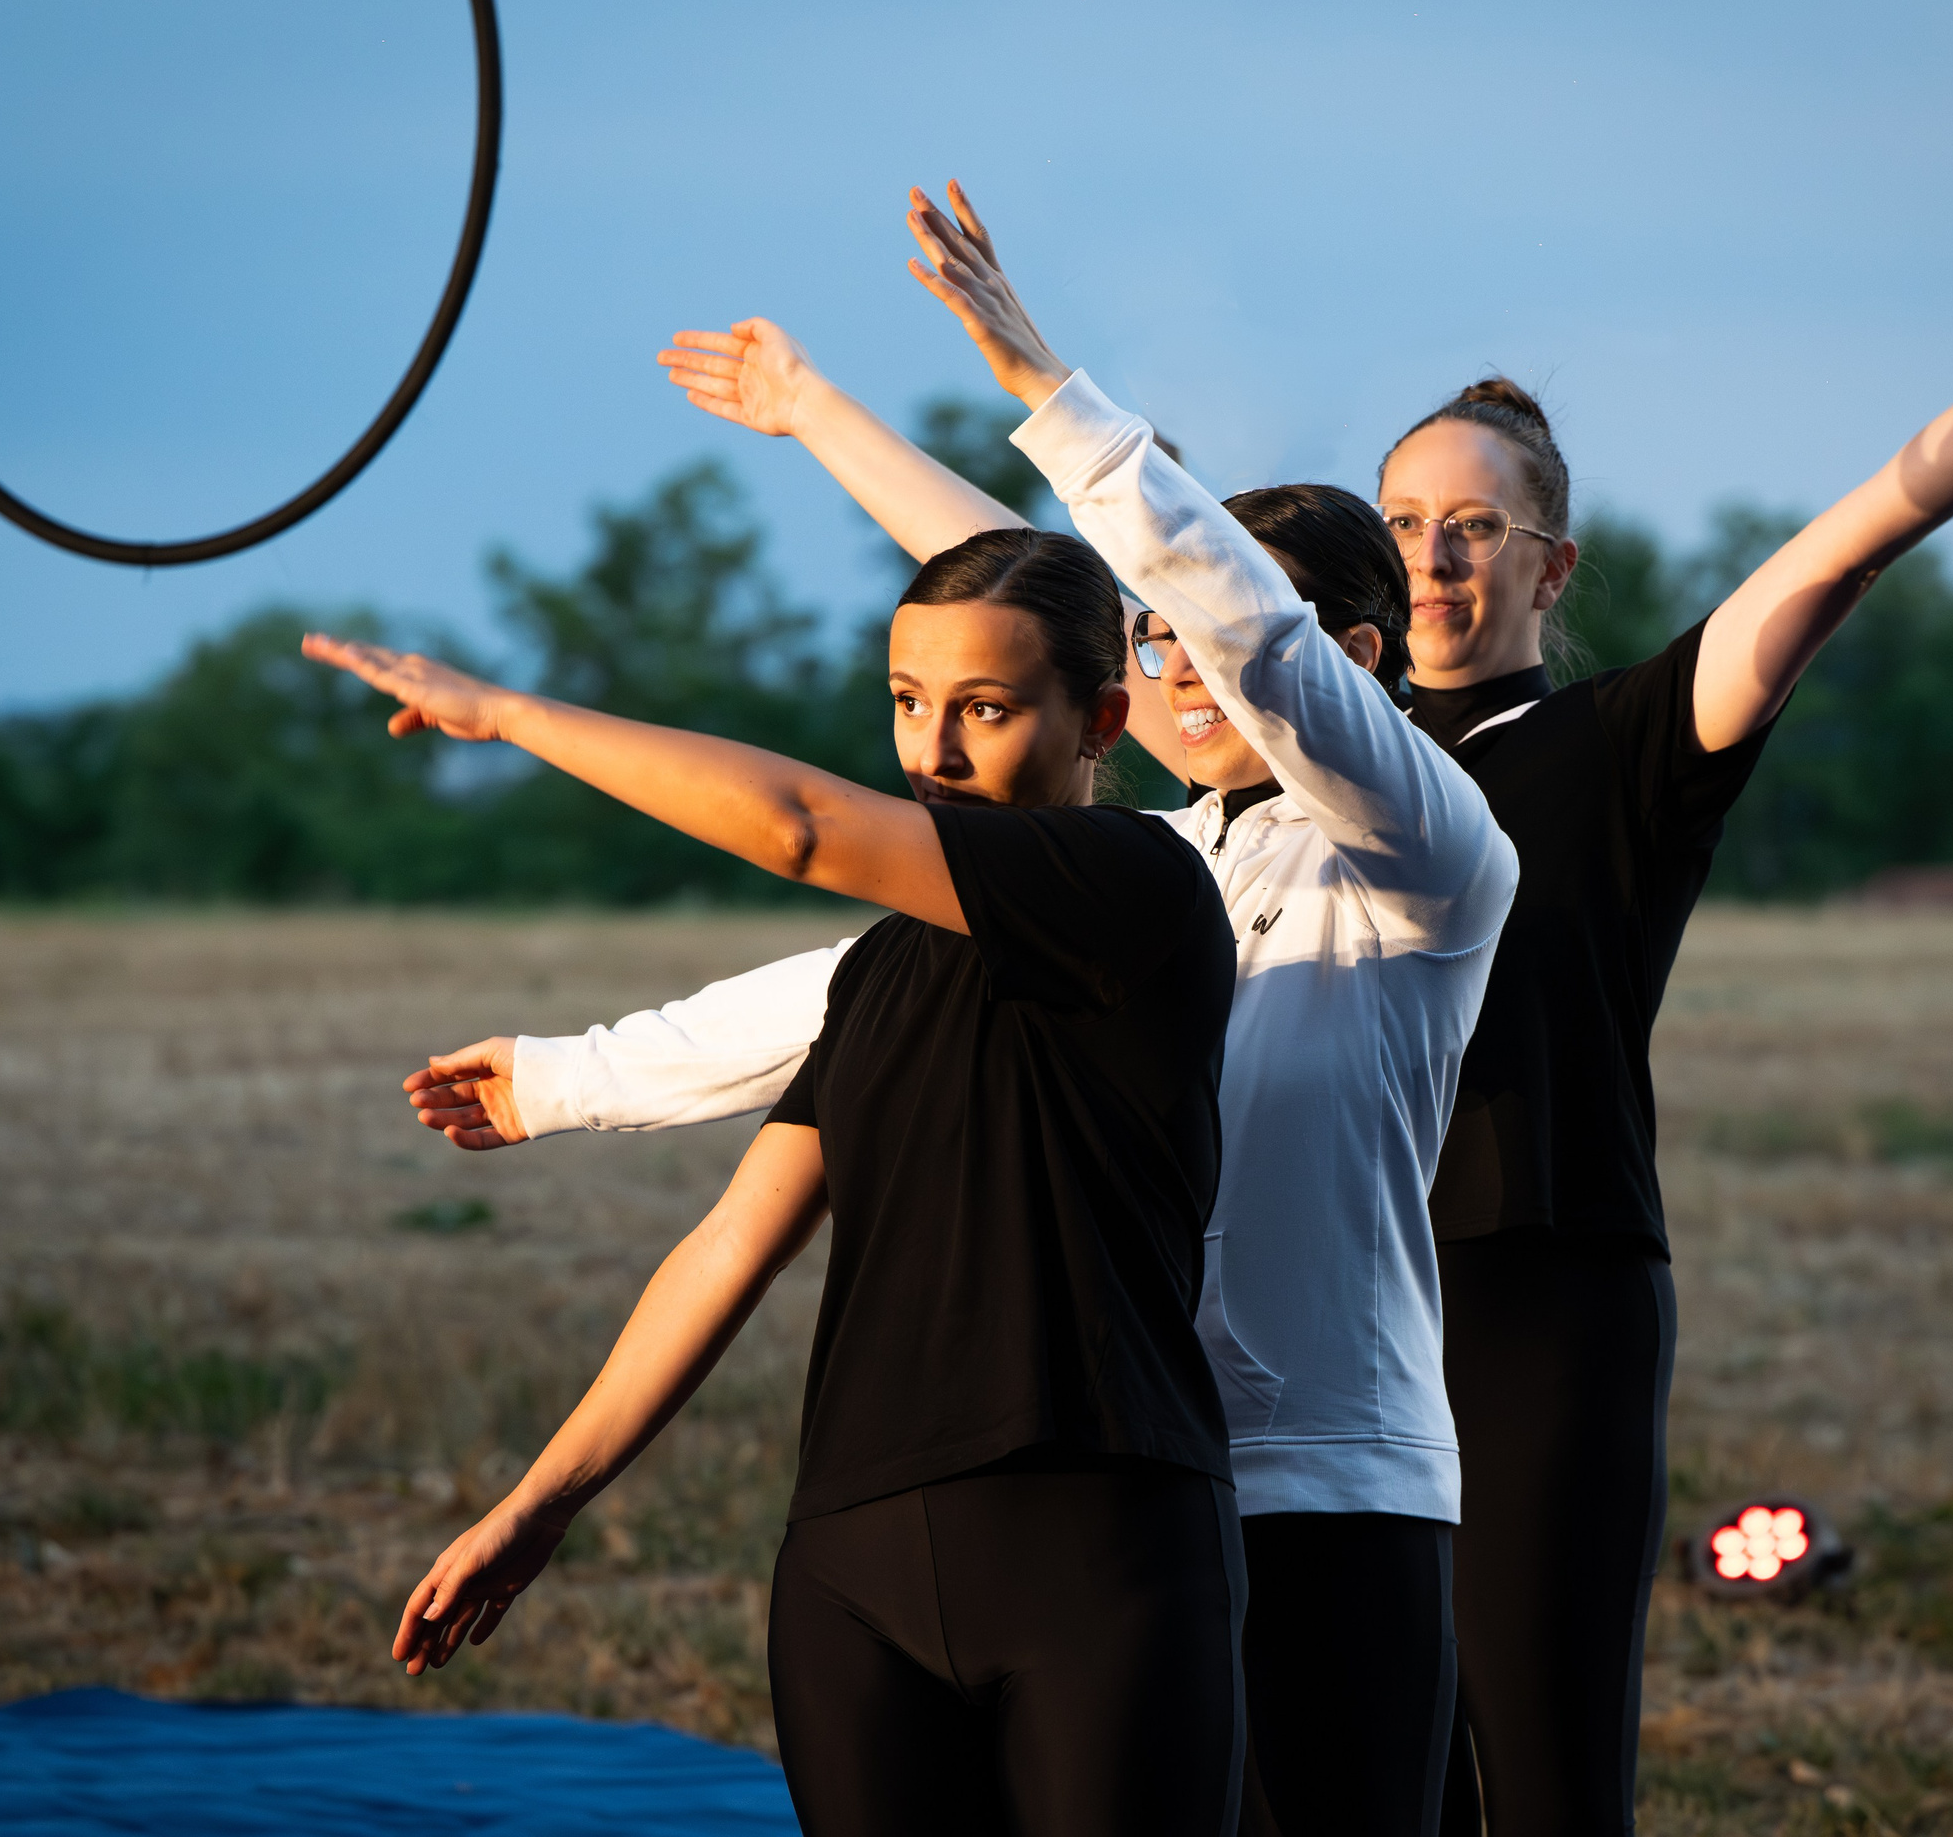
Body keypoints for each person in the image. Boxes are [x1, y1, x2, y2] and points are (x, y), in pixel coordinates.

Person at [410, 186, 1518, 1837]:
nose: (1181, 663)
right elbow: (864, 950)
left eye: (1210, 637)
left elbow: (1232, 629)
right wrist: (573, 1078)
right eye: (1155, 645)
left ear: (1347, 660)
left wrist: (1048, 392)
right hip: (1144, 1465)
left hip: (1330, 1484)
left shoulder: (1426, 854)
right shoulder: (1139, 862)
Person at [1382, 171, 1953, 1835]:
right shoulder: (1313, 761)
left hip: (1538, 1292)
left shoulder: (1628, 744)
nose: (1430, 558)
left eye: (1475, 527)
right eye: (1404, 523)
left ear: (1552, 566)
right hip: (1340, 1299)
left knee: (1540, 1764)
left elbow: (1866, 529)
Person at [304, 526, 1250, 1837]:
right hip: (852, 1572)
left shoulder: (1144, 892)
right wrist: (541, 1504)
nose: (933, 752)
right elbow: (730, 1246)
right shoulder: (876, 974)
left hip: (1099, 1547)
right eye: (908, 702)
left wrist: (509, 715)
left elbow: (799, 828)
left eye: (985, 710)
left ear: (1100, 720)